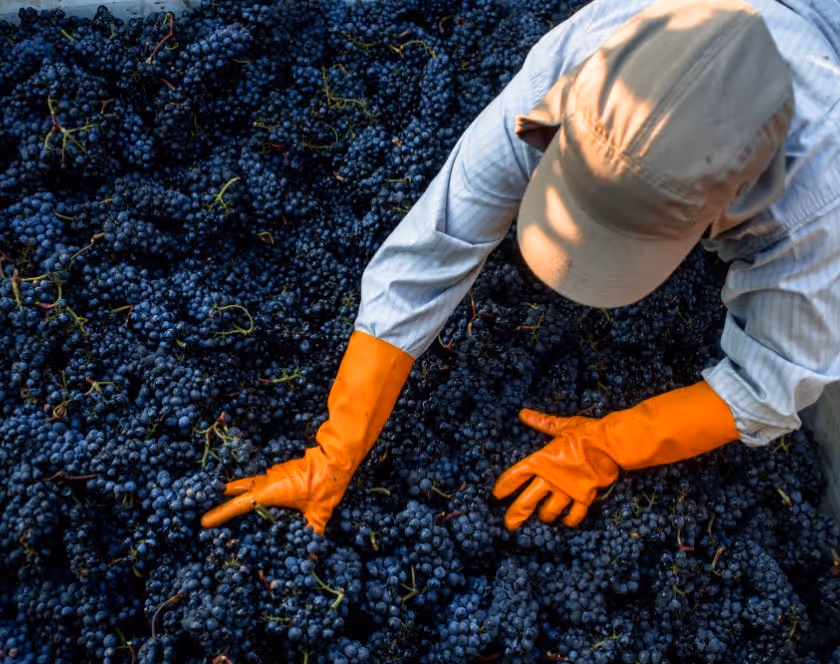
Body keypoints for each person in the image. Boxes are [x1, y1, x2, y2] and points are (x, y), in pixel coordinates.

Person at [201, 0, 840, 534]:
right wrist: (334, 451)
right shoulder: (593, 49)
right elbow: (439, 237)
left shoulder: (818, 203)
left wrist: (608, 445)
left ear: (729, 209)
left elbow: (772, 382)